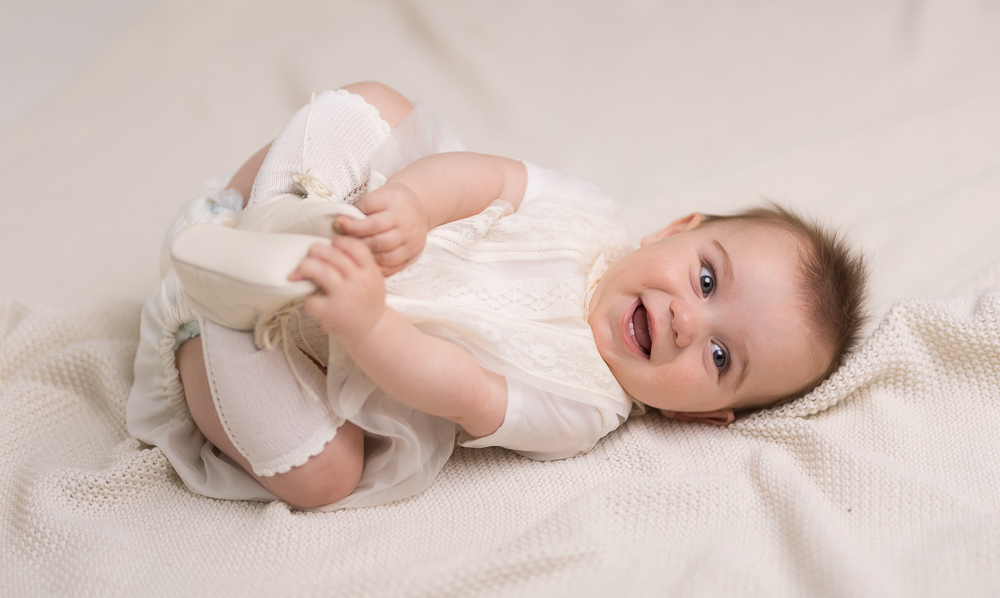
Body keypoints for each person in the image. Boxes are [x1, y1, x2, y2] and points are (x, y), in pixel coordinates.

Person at [128, 81, 868, 510]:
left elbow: (464, 389)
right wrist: (414, 204)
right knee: (381, 105)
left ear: (703, 415)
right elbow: (488, 178)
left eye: (718, 353)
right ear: (678, 227)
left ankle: (216, 316)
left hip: (310, 357)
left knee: (327, 477)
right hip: (359, 230)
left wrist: (366, 323)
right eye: (707, 279)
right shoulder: (591, 213)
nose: (684, 317)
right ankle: (257, 211)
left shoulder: (585, 407)